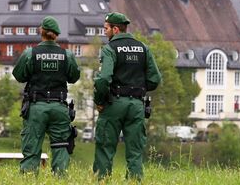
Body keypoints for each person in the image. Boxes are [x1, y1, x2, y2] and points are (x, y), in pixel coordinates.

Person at [93, 12, 162, 180]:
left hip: (113, 104)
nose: (105, 32)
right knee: (135, 150)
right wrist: (139, 89)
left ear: (116, 29)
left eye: (106, 29)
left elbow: (103, 79)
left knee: (105, 148)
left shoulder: (110, 49)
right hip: (137, 105)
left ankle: (102, 181)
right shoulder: (143, 48)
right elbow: (155, 79)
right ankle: (134, 181)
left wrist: (99, 101)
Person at [12, 16, 81, 175]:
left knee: (32, 147)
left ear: (41, 31)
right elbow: (74, 77)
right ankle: (60, 178)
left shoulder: (31, 53)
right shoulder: (67, 55)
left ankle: (29, 178)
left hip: (37, 107)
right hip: (59, 107)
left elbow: (19, 75)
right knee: (61, 146)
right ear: (56, 35)